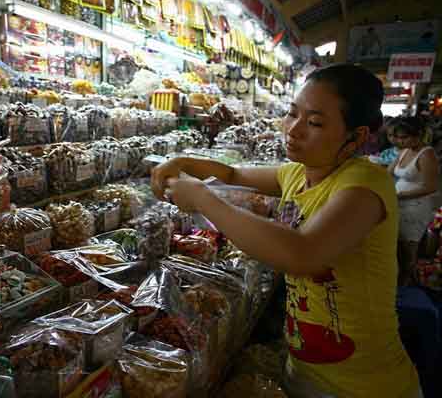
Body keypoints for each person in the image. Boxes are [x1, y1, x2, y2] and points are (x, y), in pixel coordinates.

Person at [151, 64, 419, 397]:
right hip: (305, 367)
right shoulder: (297, 173)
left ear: (357, 137)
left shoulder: (365, 185)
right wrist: (183, 162)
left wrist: (203, 199)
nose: (293, 129)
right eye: (292, 113)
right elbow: (232, 174)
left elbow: (301, 253)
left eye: (315, 122)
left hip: (363, 385)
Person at [388, 116, 439, 285]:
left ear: (418, 135)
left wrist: (401, 195)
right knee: (398, 246)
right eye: (398, 137)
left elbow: (431, 187)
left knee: (409, 248)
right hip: (399, 202)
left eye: (404, 137)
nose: (400, 141)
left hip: (416, 207)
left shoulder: (427, 154)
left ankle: (407, 284)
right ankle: (399, 280)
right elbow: (388, 172)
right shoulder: (405, 151)